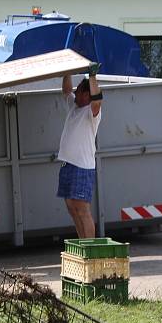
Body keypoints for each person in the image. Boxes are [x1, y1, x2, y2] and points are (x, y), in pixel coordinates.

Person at [57, 63, 103, 239]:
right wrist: (67, 70)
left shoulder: (92, 113)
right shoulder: (74, 107)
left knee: (82, 209)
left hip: (82, 167)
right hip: (68, 164)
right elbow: (66, 91)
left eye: (79, 91)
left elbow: (97, 99)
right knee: (71, 206)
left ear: (87, 94)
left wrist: (92, 77)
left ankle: (90, 248)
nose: (75, 93)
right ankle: (83, 243)